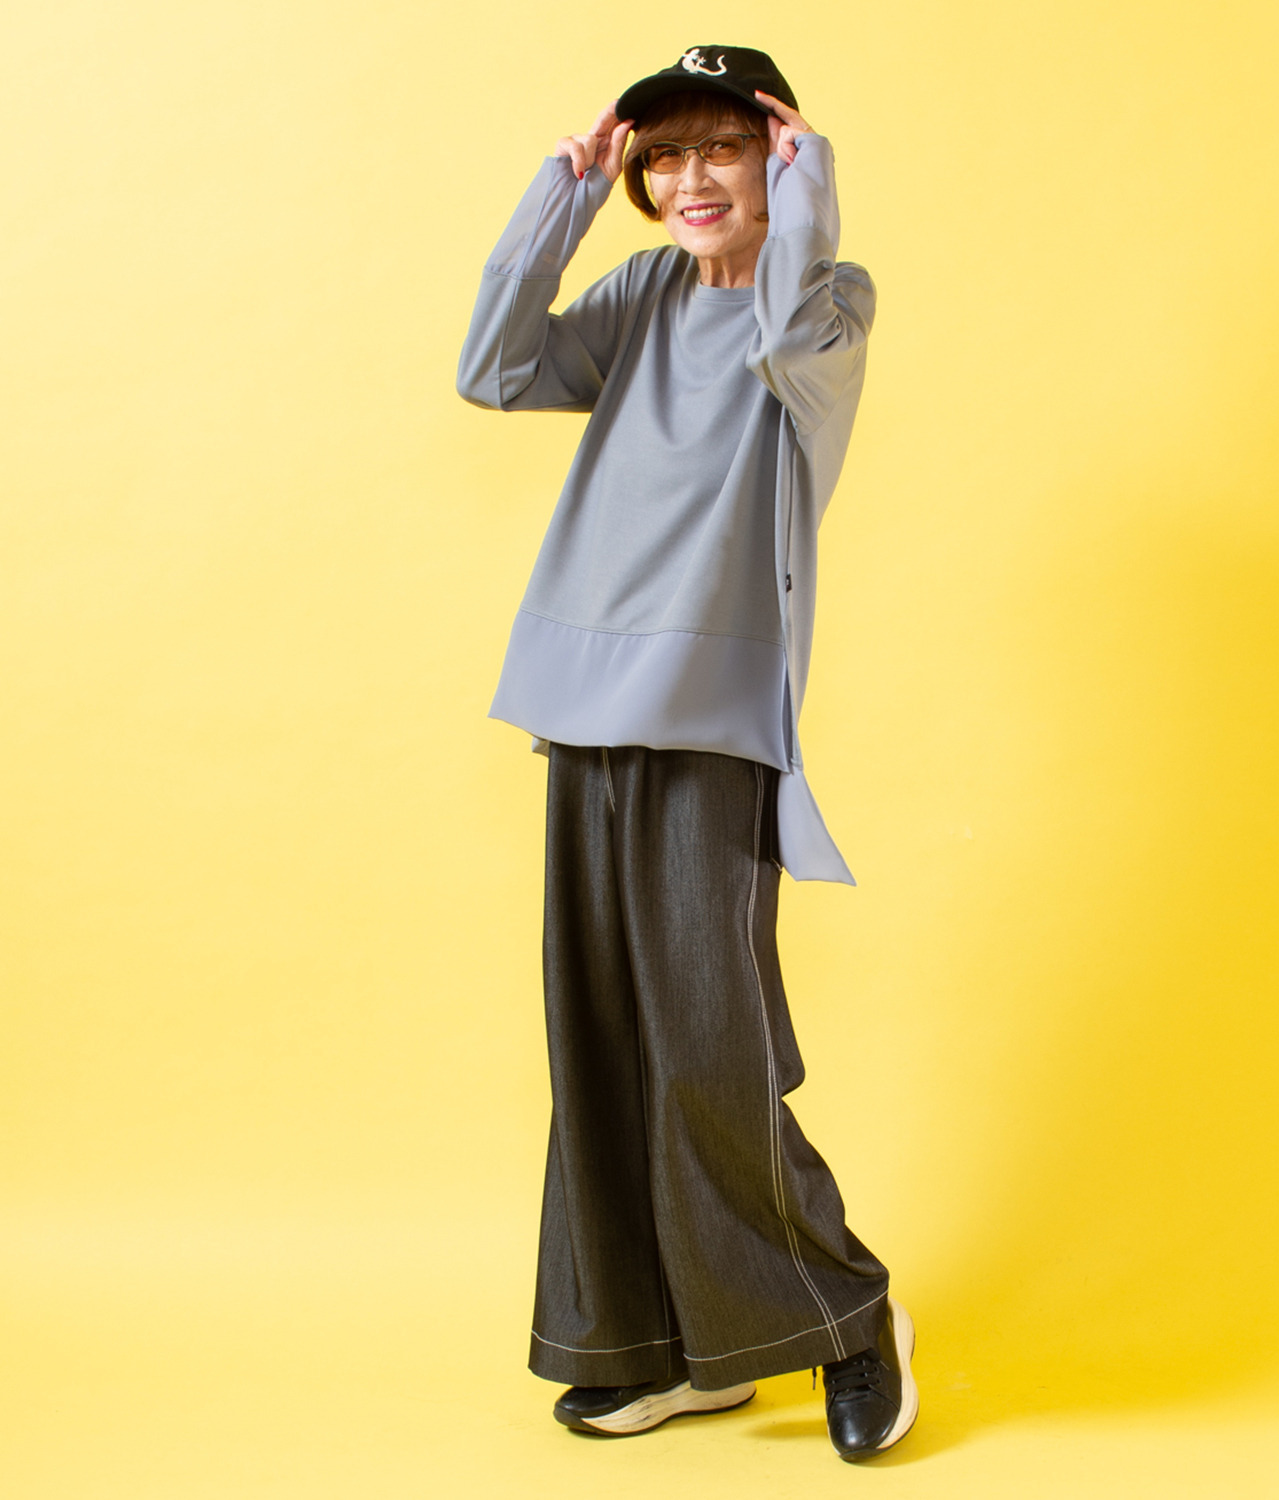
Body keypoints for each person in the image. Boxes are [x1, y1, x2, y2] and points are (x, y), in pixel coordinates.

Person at [455, 45, 917, 1462]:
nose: (691, 177)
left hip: (709, 721)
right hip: (581, 705)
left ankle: (845, 1317)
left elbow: (778, 332)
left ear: (784, 160)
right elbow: (495, 369)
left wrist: (810, 185)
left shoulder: (825, 305)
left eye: (726, 145)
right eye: (665, 156)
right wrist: (564, 193)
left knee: (709, 1044)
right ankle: (663, 1347)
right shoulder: (644, 290)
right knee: (603, 1042)